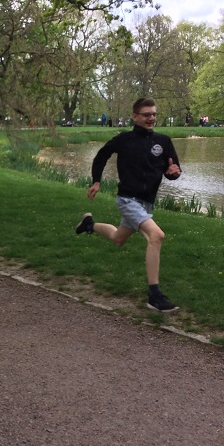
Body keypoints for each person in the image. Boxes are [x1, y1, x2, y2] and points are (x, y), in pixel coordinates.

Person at [75, 97, 182, 313]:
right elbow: (101, 156)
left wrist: (174, 173)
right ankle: (154, 296)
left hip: (146, 203)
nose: (151, 118)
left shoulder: (163, 141)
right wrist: (96, 181)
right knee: (156, 236)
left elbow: (172, 169)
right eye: (146, 114)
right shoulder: (124, 139)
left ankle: (89, 224)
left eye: (154, 114)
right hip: (127, 199)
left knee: (118, 238)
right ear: (135, 116)